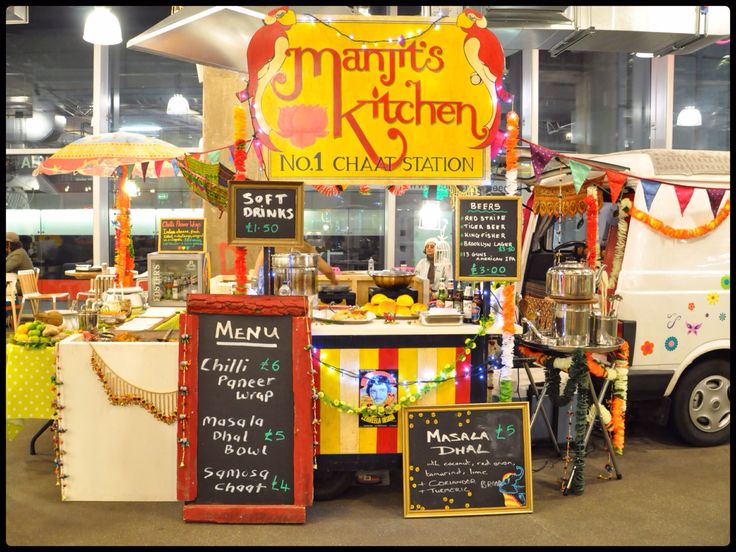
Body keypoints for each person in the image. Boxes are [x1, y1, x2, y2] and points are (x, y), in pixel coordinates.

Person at [253, 239, 339, 290]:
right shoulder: (305, 247)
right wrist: (334, 282)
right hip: (302, 296)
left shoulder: (269, 246)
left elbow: (256, 275)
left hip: (275, 296)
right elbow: (328, 271)